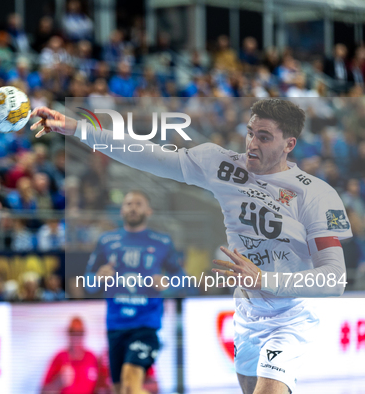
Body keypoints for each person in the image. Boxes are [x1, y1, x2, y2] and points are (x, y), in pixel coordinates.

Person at [31, 98, 353, 394]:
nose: (252, 144)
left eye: (264, 137)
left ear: (289, 145)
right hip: (247, 308)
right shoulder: (222, 164)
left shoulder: (316, 195)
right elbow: (145, 154)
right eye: (250, 133)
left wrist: (263, 279)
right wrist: (75, 128)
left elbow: (334, 279)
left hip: (291, 311)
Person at [85, 191, 185, 394]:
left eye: (138, 204)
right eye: (128, 204)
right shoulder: (106, 241)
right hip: (115, 326)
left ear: (149, 211)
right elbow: (88, 283)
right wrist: (98, 278)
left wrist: (167, 284)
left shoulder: (162, 242)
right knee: (120, 389)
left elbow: (182, 279)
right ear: (121, 210)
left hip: (146, 325)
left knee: (130, 384)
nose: (133, 208)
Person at [41, 317, 100, 394]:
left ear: (84, 334)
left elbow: (99, 387)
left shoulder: (92, 357)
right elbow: (43, 392)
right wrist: (58, 382)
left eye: (80, 333)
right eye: (73, 332)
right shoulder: (60, 357)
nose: (76, 337)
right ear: (68, 334)